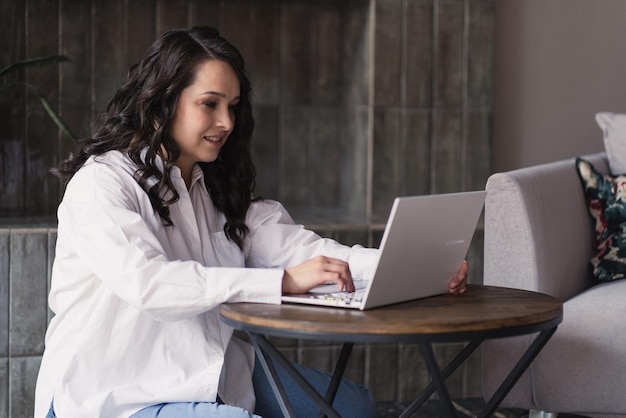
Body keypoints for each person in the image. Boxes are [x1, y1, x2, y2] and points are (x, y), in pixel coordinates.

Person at [34, 26, 468, 418]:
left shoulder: (214, 186)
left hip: (212, 368)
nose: (226, 122)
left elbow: (302, 251)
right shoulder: (102, 184)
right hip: (114, 392)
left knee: (354, 407)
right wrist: (281, 283)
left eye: (233, 106)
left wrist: (414, 264)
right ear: (163, 103)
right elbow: (150, 285)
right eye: (209, 104)